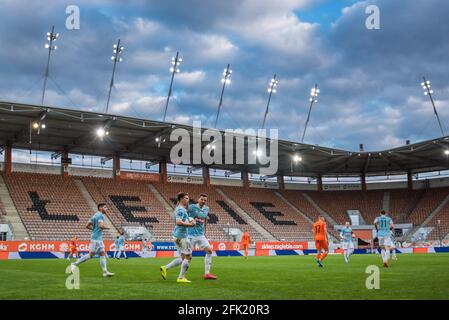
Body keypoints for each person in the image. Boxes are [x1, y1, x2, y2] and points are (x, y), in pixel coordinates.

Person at [160, 192, 196, 283]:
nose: (188, 200)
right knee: (189, 257)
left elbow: (183, 220)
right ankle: (181, 278)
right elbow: (178, 222)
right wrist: (190, 225)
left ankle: (165, 268)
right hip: (182, 236)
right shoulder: (180, 209)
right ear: (181, 199)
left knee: (183, 258)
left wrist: (190, 220)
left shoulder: (181, 209)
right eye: (186, 198)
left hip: (177, 236)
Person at [70, 203, 114, 277]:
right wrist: (108, 227)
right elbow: (100, 226)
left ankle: (105, 272)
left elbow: (87, 226)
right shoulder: (100, 215)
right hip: (96, 239)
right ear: (100, 208)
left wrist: (94, 230)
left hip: (96, 238)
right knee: (91, 255)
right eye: (105, 207)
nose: (107, 209)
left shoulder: (94, 215)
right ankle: (74, 264)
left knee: (102, 253)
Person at [187, 193, 217, 280]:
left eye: (205, 200)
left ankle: (207, 274)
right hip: (190, 234)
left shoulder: (206, 208)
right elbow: (187, 214)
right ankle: (182, 275)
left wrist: (205, 230)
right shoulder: (192, 207)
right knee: (187, 256)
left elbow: (203, 218)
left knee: (209, 251)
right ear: (198, 199)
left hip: (200, 235)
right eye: (202, 199)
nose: (203, 201)